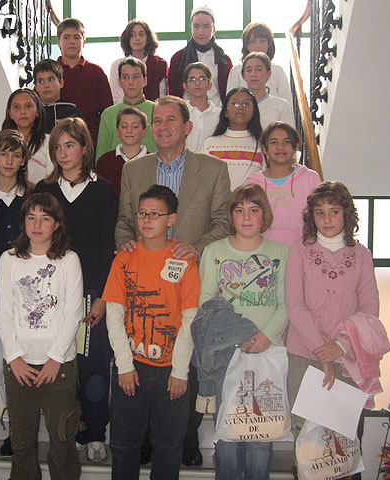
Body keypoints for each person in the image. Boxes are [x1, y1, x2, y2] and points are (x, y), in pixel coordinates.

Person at [115, 95, 231, 467]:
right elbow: (122, 223)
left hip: (190, 278)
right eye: (157, 120)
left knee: (188, 360)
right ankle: (148, 436)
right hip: (144, 283)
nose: (162, 126)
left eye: (170, 120)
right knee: (147, 359)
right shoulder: (135, 170)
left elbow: (223, 223)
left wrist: (195, 249)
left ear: (187, 126)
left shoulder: (212, 169)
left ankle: (187, 435)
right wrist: (127, 245)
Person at [285, 182, 382, 479]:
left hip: (348, 359)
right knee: (310, 448)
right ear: (310, 216)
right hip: (304, 357)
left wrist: (338, 347)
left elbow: (370, 308)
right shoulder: (299, 250)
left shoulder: (362, 255)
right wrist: (320, 350)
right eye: (320, 212)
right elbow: (294, 305)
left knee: (345, 445)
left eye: (334, 211)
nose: (327, 219)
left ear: (346, 215)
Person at [103, 185, 200, 479]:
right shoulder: (124, 258)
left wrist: (180, 371)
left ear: (171, 220)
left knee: (168, 447)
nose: (146, 220)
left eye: (155, 214)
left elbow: (189, 318)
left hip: (171, 370)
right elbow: (114, 316)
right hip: (131, 368)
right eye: (142, 213)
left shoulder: (184, 260)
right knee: (123, 445)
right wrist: (124, 365)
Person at [34, 117, 117, 462]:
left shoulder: (103, 189)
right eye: (57, 146)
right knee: (63, 368)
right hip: (52, 296)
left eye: (70, 145)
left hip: (91, 296)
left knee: (94, 366)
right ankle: (70, 431)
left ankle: (95, 432)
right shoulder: (45, 190)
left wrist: (100, 297)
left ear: (85, 147)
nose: (63, 153)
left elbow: (107, 247)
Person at [199, 183, 288, 480]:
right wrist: (232, 339)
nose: (247, 217)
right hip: (228, 358)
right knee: (227, 438)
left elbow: (285, 305)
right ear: (230, 216)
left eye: (254, 210)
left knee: (260, 439)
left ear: (265, 215)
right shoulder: (214, 252)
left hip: (267, 354)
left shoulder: (280, 252)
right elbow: (206, 304)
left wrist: (265, 336)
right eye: (239, 211)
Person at [0, 193, 83, 480]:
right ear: (23, 222)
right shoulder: (9, 259)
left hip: (59, 366)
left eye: (45, 218)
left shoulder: (69, 260)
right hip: (20, 365)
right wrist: (14, 358)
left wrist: (55, 359)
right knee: (22, 442)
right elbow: (4, 313)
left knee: (62, 441)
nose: (37, 224)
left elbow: (73, 312)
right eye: (31, 217)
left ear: (56, 224)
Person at [0, 129, 31, 457]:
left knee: (19, 355)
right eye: (4, 154)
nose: (9, 160)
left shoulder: (31, 196)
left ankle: (25, 428)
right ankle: (14, 427)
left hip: (23, 289)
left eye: (16, 155)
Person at [245, 121, 321, 247]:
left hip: (304, 251)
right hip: (265, 253)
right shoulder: (252, 183)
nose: (280, 147)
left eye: (287, 142)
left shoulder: (310, 178)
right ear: (265, 148)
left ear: (295, 147)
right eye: (274, 142)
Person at [56, 18, 113, 143]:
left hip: (90, 139)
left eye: (77, 37)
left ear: (84, 41)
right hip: (56, 137)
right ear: (58, 42)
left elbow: (107, 110)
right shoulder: (50, 71)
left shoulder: (96, 72)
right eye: (66, 37)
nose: (72, 42)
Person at [169, 6, 232, 107]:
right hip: (186, 115)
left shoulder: (224, 60)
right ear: (191, 27)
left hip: (217, 115)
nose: (201, 32)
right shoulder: (178, 58)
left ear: (214, 29)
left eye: (206, 26)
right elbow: (173, 94)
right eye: (196, 26)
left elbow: (228, 93)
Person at [96, 57, 157, 161]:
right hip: (116, 171)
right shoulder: (108, 114)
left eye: (136, 77)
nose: (130, 82)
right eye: (125, 77)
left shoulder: (156, 111)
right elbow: (102, 154)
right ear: (119, 82)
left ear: (145, 81)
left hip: (151, 171)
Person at [226, 22, 293, 115]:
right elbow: (230, 103)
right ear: (247, 45)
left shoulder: (277, 71)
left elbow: (287, 101)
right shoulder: (236, 71)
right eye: (253, 41)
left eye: (262, 41)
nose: (258, 45)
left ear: (269, 44)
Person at [202, 87, 263, 189]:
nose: (240, 107)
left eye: (246, 104)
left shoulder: (262, 145)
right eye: (234, 103)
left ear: (254, 111)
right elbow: (204, 182)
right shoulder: (209, 145)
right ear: (225, 112)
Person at [109, 19, 168, 104]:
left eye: (141, 34)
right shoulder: (117, 65)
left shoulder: (159, 64)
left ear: (148, 38)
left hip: (152, 113)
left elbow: (162, 95)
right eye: (132, 35)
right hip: (124, 112)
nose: (137, 38)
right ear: (127, 39)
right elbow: (115, 97)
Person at [96, 106, 149, 198]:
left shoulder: (152, 161)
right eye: (124, 126)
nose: (129, 130)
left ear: (144, 132)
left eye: (135, 126)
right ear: (117, 131)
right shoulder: (105, 161)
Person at [1, 88, 51, 185]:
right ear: (10, 114)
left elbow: (52, 179)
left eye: (28, 106)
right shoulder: (2, 143)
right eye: (16, 107)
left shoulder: (48, 142)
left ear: (37, 111)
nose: (23, 111)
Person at [241, 52, 294, 129]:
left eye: (259, 69)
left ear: (268, 74)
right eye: (249, 70)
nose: (253, 74)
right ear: (243, 76)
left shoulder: (281, 105)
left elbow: (289, 137)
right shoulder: (237, 106)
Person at [32, 58, 84, 135]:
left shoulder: (72, 112)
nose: (46, 85)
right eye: (41, 81)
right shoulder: (32, 112)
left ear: (61, 83)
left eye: (51, 79)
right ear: (36, 86)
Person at [183, 62, 221, 152]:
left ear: (210, 85)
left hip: (211, 164)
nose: (197, 83)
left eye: (202, 79)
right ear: (185, 86)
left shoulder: (219, 115)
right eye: (192, 79)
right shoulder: (180, 113)